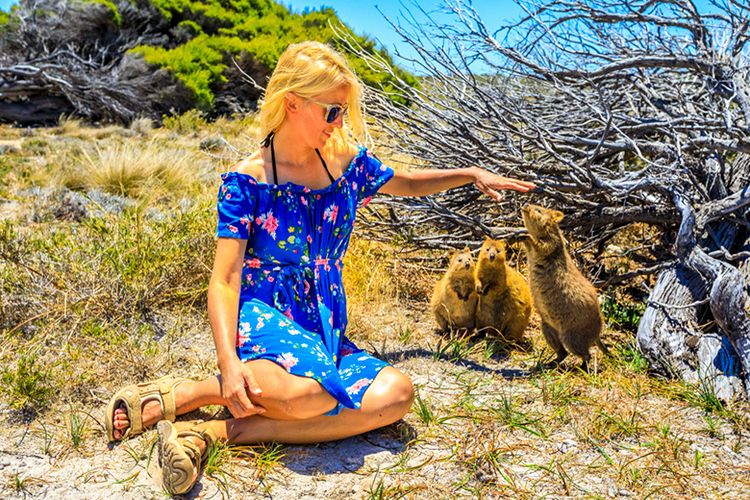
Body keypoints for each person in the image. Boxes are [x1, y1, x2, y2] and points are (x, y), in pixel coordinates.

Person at [105, 41, 535, 495]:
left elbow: (405, 182)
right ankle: (198, 392)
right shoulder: (247, 181)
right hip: (263, 312)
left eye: (344, 112)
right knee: (312, 394)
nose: (340, 123)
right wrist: (228, 364)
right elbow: (224, 279)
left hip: (322, 320)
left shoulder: (345, 164)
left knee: (396, 396)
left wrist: (469, 173)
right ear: (292, 103)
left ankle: (215, 433)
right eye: (331, 111)